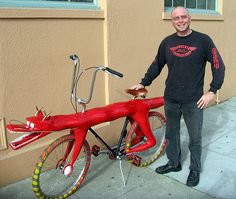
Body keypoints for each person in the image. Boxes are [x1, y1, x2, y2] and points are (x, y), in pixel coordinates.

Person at [130, 6, 225, 187]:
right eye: (176, 18)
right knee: (171, 134)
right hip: (171, 98)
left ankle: (195, 169)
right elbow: (156, 65)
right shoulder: (167, 42)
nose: (180, 21)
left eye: (183, 17)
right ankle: (174, 163)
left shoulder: (203, 40)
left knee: (195, 138)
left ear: (189, 18)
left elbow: (218, 65)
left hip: (193, 100)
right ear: (172, 21)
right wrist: (143, 83)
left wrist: (212, 91)